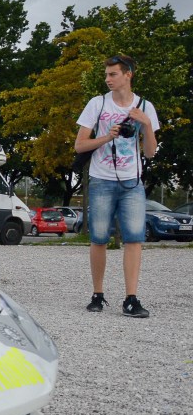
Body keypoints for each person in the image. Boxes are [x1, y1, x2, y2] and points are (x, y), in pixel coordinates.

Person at [74, 54, 160, 318]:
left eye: (113, 74)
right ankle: (97, 295)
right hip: (101, 180)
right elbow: (79, 146)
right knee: (99, 239)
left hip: (132, 182)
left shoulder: (145, 106)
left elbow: (150, 152)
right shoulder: (97, 104)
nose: (108, 79)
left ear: (128, 74)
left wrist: (146, 125)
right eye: (107, 75)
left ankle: (131, 299)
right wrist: (106, 136)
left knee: (134, 239)